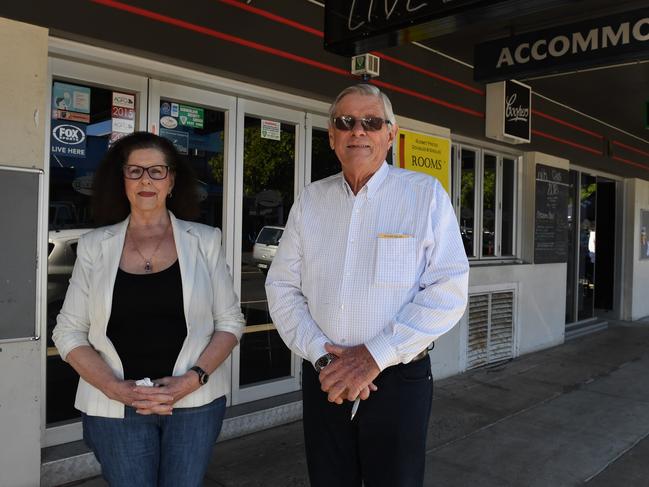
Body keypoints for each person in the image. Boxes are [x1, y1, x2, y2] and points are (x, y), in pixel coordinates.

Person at [266, 84, 469, 487]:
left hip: (397, 379)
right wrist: (325, 360)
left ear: (390, 135)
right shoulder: (311, 199)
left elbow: (448, 289)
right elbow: (282, 286)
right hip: (324, 376)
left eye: (371, 122)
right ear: (332, 135)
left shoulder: (424, 195)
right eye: (346, 122)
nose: (358, 131)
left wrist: (375, 356)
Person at [52, 132, 245, 487]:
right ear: (121, 179)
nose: (145, 180)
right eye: (135, 171)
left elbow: (230, 322)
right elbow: (68, 332)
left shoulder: (205, 240)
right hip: (115, 408)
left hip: (194, 403)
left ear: (171, 180)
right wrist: (114, 388)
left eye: (157, 171)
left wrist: (192, 379)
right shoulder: (95, 246)